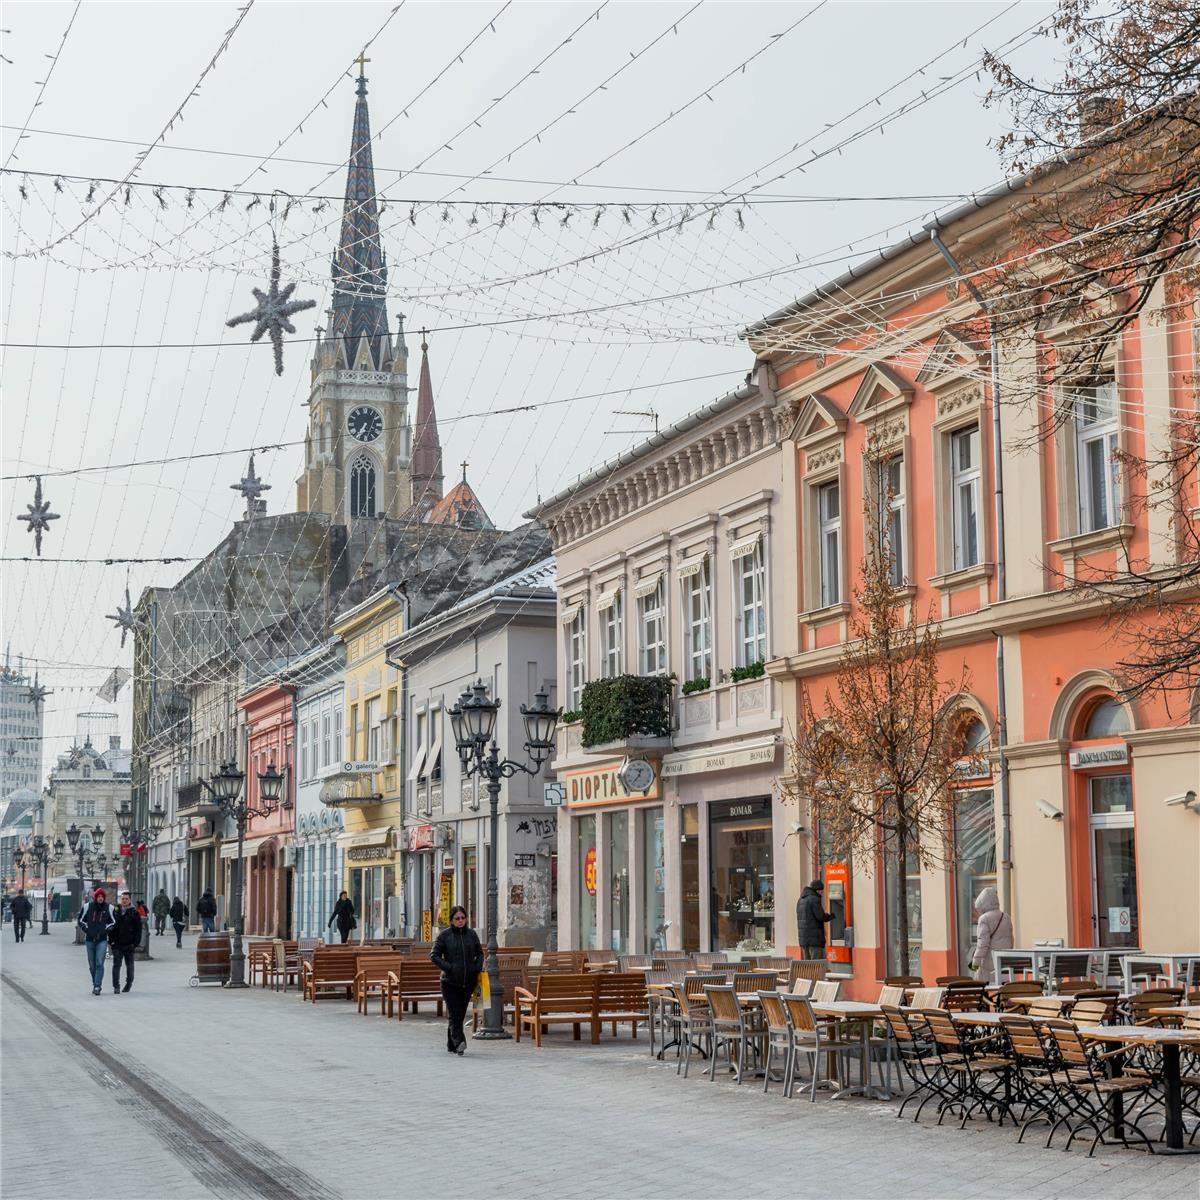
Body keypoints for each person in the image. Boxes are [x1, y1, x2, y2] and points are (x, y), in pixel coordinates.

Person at [431, 905, 483, 1055]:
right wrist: (449, 968)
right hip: (449, 982)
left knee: (459, 1013)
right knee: (454, 1013)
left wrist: (476, 967)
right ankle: (460, 1042)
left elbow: (479, 953)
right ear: (452, 921)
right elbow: (434, 956)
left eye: (463, 918)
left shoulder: (472, 934)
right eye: (457, 918)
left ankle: (451, 1044)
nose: (460, 921)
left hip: (468, 981)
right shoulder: (444, 936)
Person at [969, 885, 1013, 985]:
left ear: (982, 903)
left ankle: (985, 999)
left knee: (981, 986)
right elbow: (1011, 940)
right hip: (1004, 962)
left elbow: (983, 945)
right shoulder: (1006, 916)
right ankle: (1000, 999)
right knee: (1003, 987)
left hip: (989, 964)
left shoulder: (984, 919)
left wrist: (974, 964)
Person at [78, 888, 115, 995]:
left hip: (102, 940)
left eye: (102, 897)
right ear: (95, 897)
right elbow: (81, 920)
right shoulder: (87, 907)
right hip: (89, 939)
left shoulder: (109, 908)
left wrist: (107, 930)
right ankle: (95, 982)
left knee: (99, 963)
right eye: (98, 896)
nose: (100, 898)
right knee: (92, 964)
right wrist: (86, 929)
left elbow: (113, 922)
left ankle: (97, 986)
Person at [109, 891, 142, 994]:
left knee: (130, 966)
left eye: (126, 899)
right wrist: (111, 941)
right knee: (116, 966)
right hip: (117, 944)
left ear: (130, 900)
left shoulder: (134, 913)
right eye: (123, 899)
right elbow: (111, 927)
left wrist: (135, 944)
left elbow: (138, 930)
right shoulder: (116, 911)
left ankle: (128, 984)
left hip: (129, 944)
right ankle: (116, 986)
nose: (124, 901)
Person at [796, 879, 832, 960]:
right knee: (816, 965)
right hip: (815, 939)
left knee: (808, 966)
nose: (822, 893)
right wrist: (830, 916)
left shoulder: (801, 900)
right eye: (821, 891)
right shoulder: (814, 899)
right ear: (817, 890)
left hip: (804, 939)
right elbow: (820, 916)